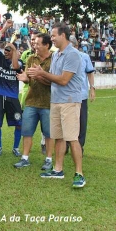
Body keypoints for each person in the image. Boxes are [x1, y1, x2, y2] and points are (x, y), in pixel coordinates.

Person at [27, 22, 85, 188]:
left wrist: (42, 73)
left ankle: (79, 174)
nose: (51, 38)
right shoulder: (57, 55)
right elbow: (52, 79)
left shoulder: (73, 55)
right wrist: (38, 76)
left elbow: (64, 80)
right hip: (56, 101)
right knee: (58, 137)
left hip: (69, 101)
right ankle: (58, 170)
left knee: (72, 138)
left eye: (53, 35)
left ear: (63, 35)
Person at [14, 33, 54, 170]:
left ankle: (49, 159)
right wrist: (25, 78)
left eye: (38, 44)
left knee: (49, 134)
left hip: (48, 103)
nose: (34, 46)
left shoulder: (54, 59)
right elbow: (30, 80)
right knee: (27, 132)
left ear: (47, 45)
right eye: (34, 43)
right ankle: (25, 158)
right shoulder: (31, 58)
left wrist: (39, 75)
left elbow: (55, 82)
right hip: (31, 101)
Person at [0, 20, 23, 158]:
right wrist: (4, 28)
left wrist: (14, 50)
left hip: (13, 97)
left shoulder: (19, 62)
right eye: (5, 50)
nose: (6, 52)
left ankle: (16, 147)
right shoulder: (0, 58)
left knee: (19, 123)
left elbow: (15, 67)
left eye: (9, 50)